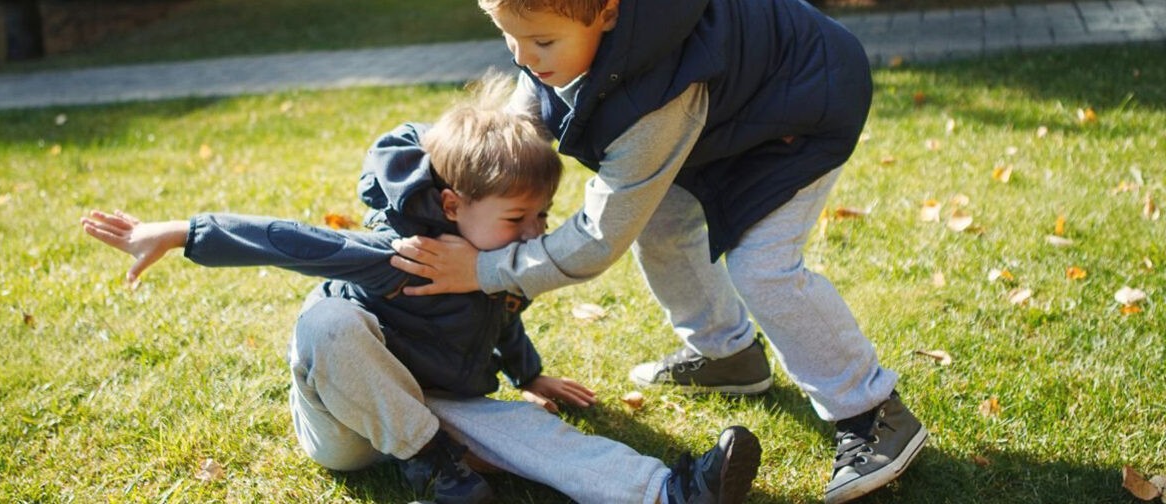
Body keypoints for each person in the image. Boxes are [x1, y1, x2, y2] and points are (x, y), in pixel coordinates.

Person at [80, 77, 761, 504]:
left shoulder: (500, 262)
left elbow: (497, 318)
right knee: (325, 323)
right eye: (518, 219)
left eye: (542, 219)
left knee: (529, 431)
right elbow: (288, 241)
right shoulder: (398, 253)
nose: (533, 234)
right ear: (453, 205)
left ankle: (669, 491)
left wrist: (533, 374)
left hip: (428, 411)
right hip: (348, 424)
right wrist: (181, 232)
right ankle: (435, 465)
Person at [386, 1, 927, 502]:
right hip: (730, 117)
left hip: (803, 107)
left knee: (762, 267)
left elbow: (599, 238)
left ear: (607, 12)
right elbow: (509, 136)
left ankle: (872, 410)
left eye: (543, 43)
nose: (524, 58)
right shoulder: (564, 36)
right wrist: (425, 181)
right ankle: (727, 353)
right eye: (509, 37)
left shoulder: (661, 95)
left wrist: (483, 270)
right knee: (663, 224)